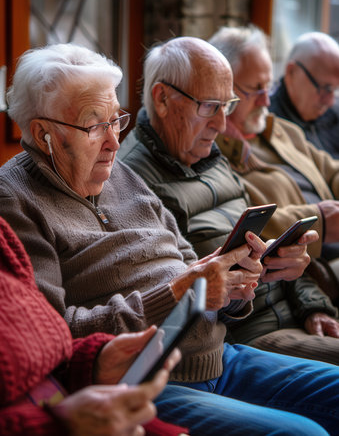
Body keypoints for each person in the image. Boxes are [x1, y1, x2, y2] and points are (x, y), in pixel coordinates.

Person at [0, 42, 338, 436]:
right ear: (44, 135)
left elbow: (186, 264)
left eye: (116, 121)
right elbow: (55, 336)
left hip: (219, 355)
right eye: (95, 126)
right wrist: (183, 292)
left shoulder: (122, 177)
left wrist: (231, 289)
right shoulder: (15, 202)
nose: (113, 142)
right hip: (150, 381)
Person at [117, 34, 339, 366]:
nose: (221, 124)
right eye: (209, 107)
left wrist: (310, 302)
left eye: (227, 106)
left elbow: (259, 243)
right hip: (243, 341)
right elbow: (182, 304)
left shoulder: (209, 154)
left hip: (292, 319)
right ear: (161, 99)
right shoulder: (133, 181)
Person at [0, 216, 186, 436]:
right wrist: (58, 426)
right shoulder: (17, 201)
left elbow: (45, 354)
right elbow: (62, 320)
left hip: (103, 403)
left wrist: (93, 363)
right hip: (174, 380)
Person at [209, 25, 339, 300]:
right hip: (314, 270)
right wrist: (320, 222)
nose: (267, 99)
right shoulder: (210, 149)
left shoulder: (279, 129)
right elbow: (240, 225)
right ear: (224, 89)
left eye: (268, 86)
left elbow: (332, 171)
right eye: (256, 89)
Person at [269, 31, 339, 159]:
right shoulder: (268, 124)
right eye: (326, 88)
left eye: (335, 90)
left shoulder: (335, 113)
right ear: (291, 72)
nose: (330, 101)